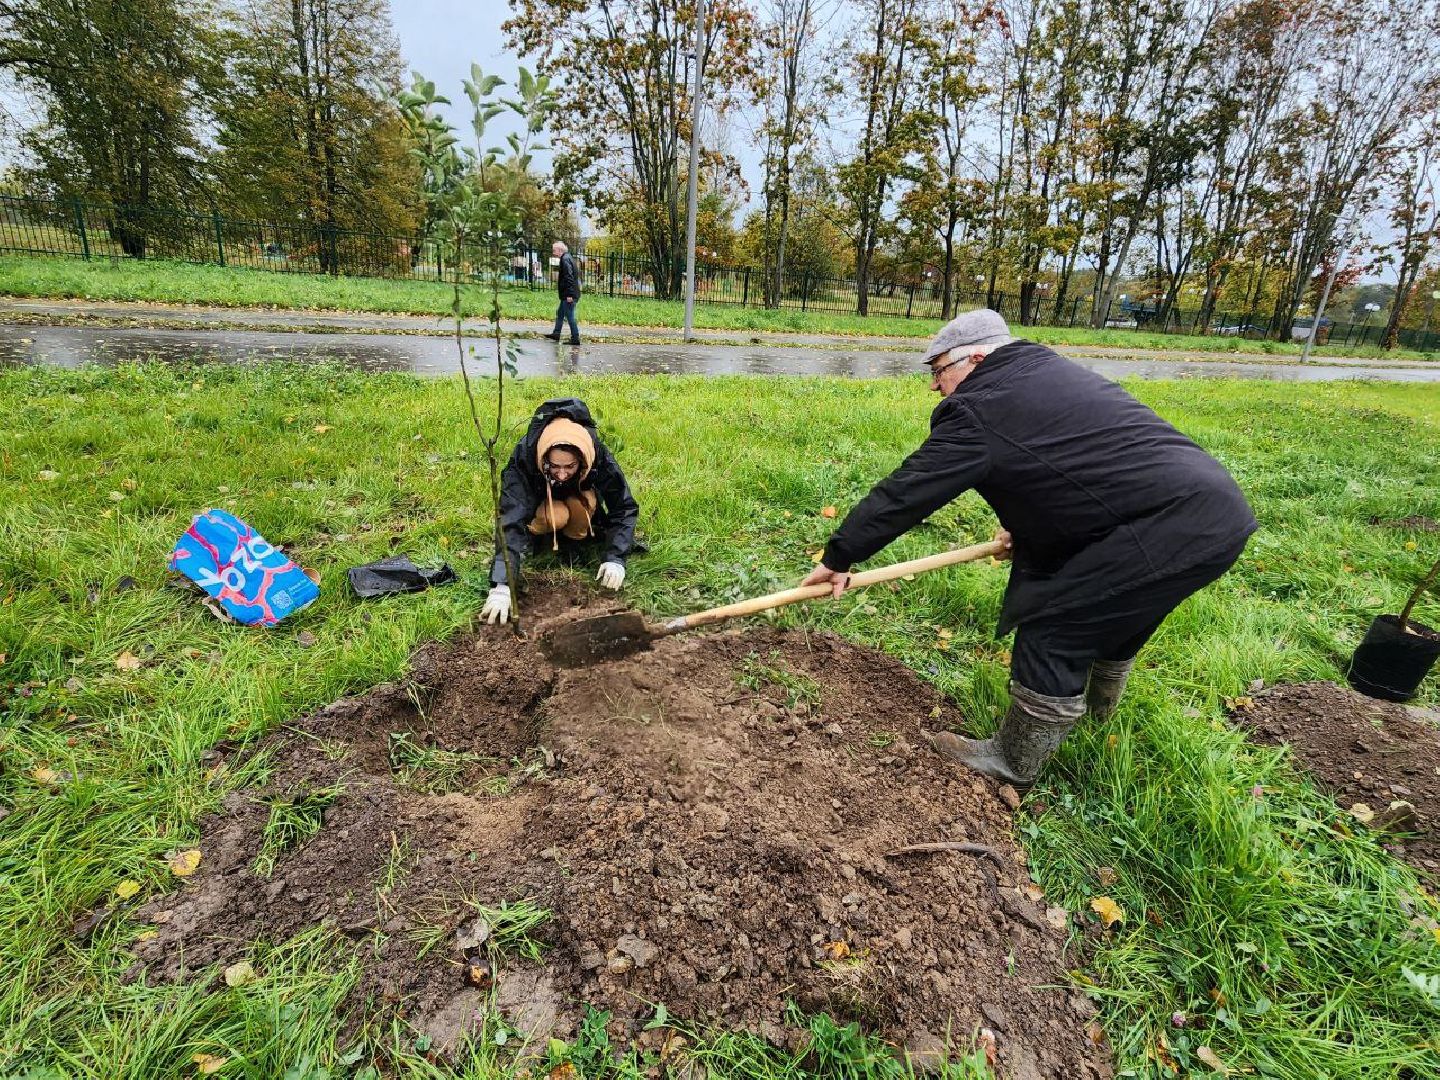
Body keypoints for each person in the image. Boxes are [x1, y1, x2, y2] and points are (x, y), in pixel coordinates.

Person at [801, 309, 1257, 789]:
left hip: (1164, 525)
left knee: (1055, 626)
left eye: (938, 371)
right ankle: (1098, 717)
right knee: (1121, 613)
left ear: (975, 358)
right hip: (1216, 514)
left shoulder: (981, 406)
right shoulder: (1045, 370)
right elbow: (1076, 467)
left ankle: (1013, 762)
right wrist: (1031, 529)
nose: (935, 386)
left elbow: (907, 492)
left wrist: (839, 556)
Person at [481, 397, 638, 624]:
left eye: (570, 467)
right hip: (545, 508)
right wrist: (502, 585)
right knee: (556, 516)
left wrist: (615, 557)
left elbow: (623, 506)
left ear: (583, 460)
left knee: (577, 510)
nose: (562, 474)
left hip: (580, 503)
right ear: (543, 458)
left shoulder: (596, 453)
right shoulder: (525, 458)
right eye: (554, 467)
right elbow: (511, 517)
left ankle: (574, 545)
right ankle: (541, 541)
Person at [545, 241, 581, 345]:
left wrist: (569, 295)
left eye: (554, 250)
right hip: (568, 293)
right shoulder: (568, 257)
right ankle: (556, 334)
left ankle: (575, 338)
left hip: (569, 294)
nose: (553, 252)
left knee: (570, 316)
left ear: (560, 250)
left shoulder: (565, 259)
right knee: (560, 313)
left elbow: (569, 277)